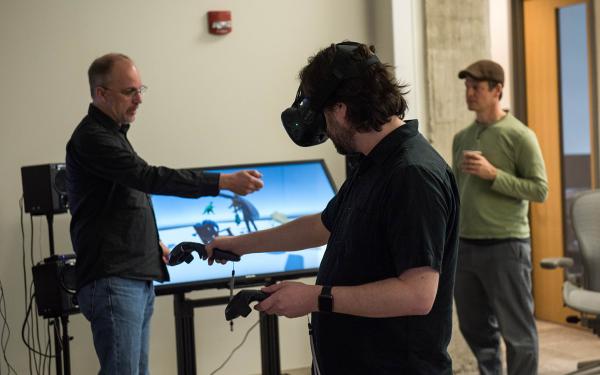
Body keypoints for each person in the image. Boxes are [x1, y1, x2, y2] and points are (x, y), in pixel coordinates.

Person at [207, 41, 460, 374]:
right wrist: (240, 245)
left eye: (325, 116)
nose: (325, 129)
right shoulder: (374, 163)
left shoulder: (411, 174)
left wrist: (315, 297)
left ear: (341, 110)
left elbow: (417, 294)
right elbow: (323, 225)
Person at [65, 53, 264, 375]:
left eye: (140, 89)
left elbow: (121, 200)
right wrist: (223, 181)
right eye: (129, 91)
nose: (139, 99)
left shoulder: (113, 135)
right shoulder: (93, 138)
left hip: (132, 273)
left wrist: (149, 243)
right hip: (113, 277)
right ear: (101, 93)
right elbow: (149, 177)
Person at [452, 60, 548, 375]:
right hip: (465, 248)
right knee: (476, 329)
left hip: (506, 246)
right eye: (467, 87)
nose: (469, 93)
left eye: (476, 87)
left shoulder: (521, 136)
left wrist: (494, 174)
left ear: (497, 91)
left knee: (518, 335)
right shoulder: (462, 137)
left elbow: (539, 190)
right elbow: (457, 191)